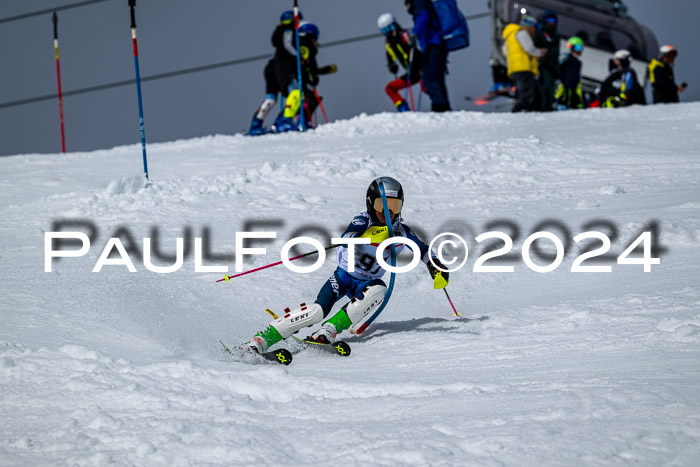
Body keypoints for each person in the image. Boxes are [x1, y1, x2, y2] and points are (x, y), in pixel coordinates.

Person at [241, 176, 450, 353]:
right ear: (371, 204)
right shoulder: (363, 220)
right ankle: (261, 340)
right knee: (317, 311)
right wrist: (375, 235)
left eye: (395, 206)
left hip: (366, 285)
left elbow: (422, 249)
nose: (389, 213)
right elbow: (348, 236)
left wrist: (436, 266)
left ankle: (329, 330)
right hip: (343, 277)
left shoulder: (402, 231)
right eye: (382, 206)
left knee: (380, 289)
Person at [274, 21, 338, 132]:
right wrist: (312, 77)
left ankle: (301, 120)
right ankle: (284, 120)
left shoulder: (301, 44)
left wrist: (321, 72)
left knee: (308, 98)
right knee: (297, 94)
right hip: (291, 74)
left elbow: (308, 66)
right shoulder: (304, 45)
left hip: (293, 75)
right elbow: (307, 64)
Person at [247, 10, 301, 136]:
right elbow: (288, 44)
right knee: (296, 93)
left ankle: (256, 124)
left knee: (271, 99)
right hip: (283, 66)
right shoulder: (288, 30)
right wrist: (299, 56)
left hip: (271, 67)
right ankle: (283, 121)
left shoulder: (278, 32)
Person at [405, 0, 451, 112]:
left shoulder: (419, 2)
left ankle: (439, 108)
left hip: (432, 45)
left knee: (429, 78)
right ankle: (444, 107)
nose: (406, 6)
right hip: (436, 45)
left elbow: (423, 16)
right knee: (437, 78)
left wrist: (414, 33)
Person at [378, 12, 423, 112]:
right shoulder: (389, 42)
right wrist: (391, 64)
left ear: (394, 25)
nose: (387, 33)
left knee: (427, 87)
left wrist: (411, 43)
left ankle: (442, 108)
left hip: (421, 68)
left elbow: (412, 41)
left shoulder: (402, 34)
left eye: (389, 28)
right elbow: (390, 54)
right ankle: (404, 110)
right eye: (384, 30)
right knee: (390, 88)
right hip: (411, 73)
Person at [502, 15, 547, 112]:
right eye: (535, 28)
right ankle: (515, 113)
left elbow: (505, 52)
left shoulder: (510, 36)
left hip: (515, 70)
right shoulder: (522, 33)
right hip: (524, 68)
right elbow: (529, 48)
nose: (535, 31)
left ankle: (533, 113)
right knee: (526, 97)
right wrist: (539, 52)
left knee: (536, 96)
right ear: (530, 26)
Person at [534, 10, 560, 111]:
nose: (551, 23)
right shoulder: (541, 33)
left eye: (553, 20)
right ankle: (543, 107)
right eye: (549, 20)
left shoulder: (555, 35)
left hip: (552, 66)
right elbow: (535, 46)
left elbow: (555, 53)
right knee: (545, 86)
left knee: (551, 88)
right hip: (544, 65)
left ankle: (549, 106)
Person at [555, 36, 585, 110]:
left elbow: (577, 79)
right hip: (561, 93)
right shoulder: (564, 58)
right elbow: (557, 72)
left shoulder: (578, 63)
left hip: (572, 93)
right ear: (570, 47)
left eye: (580, 48)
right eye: (576, 48)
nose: (578, 51)